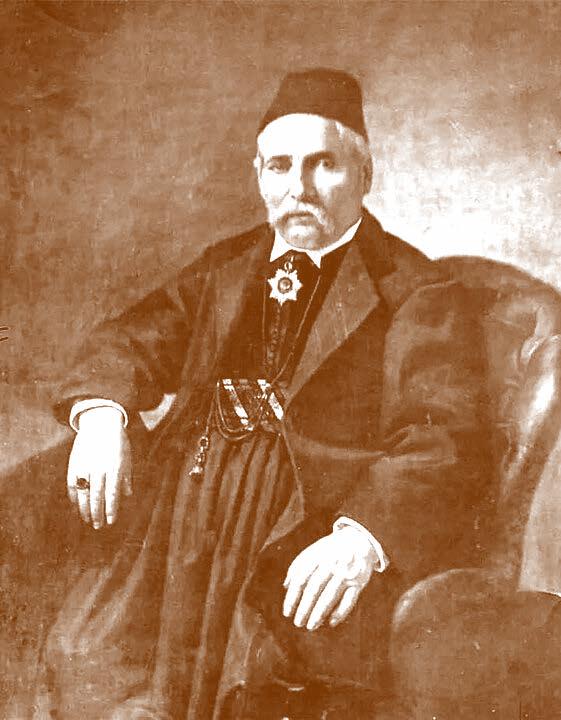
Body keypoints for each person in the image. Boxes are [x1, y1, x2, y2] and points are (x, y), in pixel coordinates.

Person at [41, 69, 489, 720]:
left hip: (300, 529)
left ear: (364, 175)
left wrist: (362, 539)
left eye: (323, 164)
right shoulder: (227, 266)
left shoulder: (416, 292)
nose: (298, 187)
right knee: (86, 662)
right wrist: (103, 416)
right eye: (279, 166)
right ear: (258, 175)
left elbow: (443, 439)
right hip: (181, 520)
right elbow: (131, 339)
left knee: (252, 692)